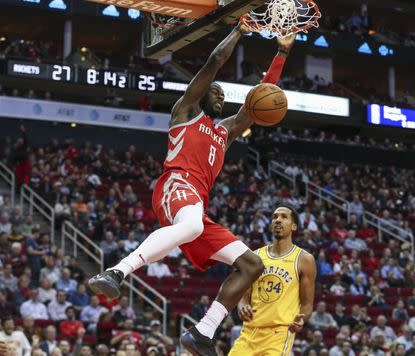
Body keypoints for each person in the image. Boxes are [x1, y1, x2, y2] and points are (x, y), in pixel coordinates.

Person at [88, 23, 296, 355]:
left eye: (223, 95)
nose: (220, 96)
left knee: (252, 265)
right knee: (193, 223)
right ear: (201, 94)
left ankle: (202, 332)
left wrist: (282, 52)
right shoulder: (184, 112)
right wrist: (240, 31)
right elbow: (214, 60)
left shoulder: (224, 133)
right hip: (175, 184)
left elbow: (258, 101)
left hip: (195, 203)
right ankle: (117, 271)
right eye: (215, 92)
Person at [229, 205, 316, 356]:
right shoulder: (255, 257)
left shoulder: (304, 259)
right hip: (249, 332)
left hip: (279, 333)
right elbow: (244, 294)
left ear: (293, 226)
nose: (278, 220)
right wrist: (242, 305)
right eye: (275, 217)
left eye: (284, 217)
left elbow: (307, 305)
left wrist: (302, 319)